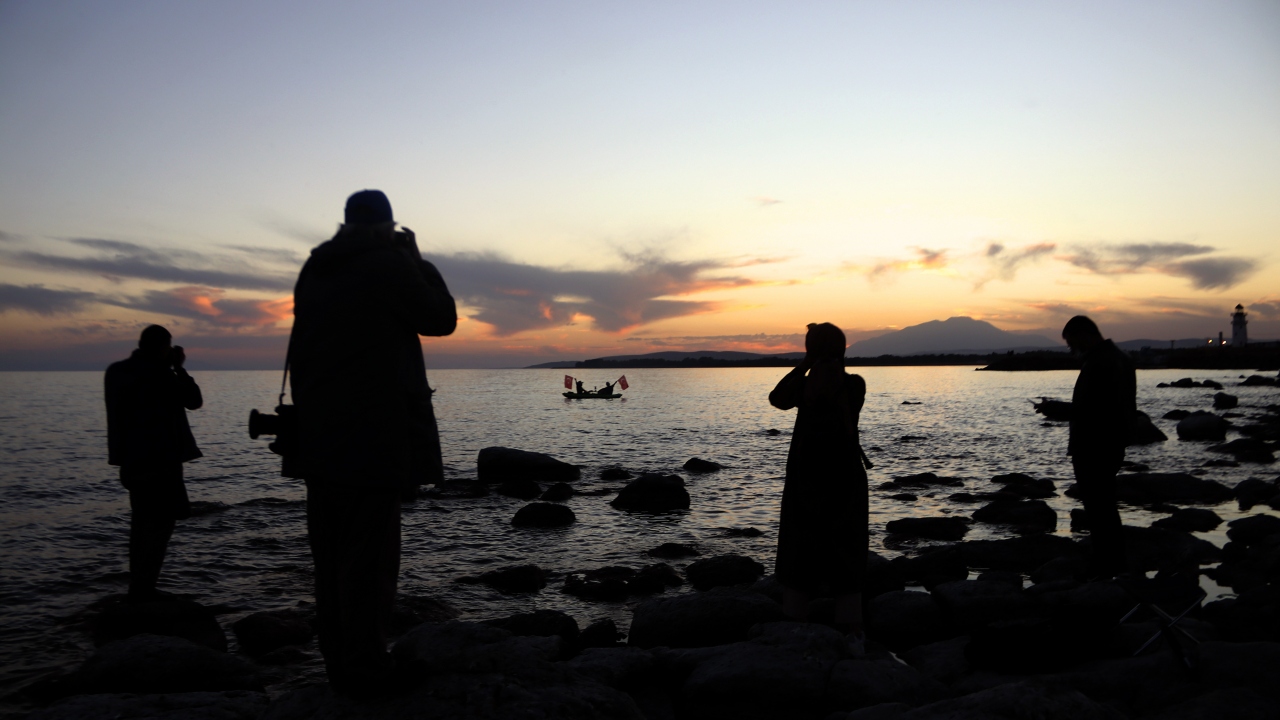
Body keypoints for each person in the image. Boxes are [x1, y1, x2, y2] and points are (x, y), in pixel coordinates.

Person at [288, 189, 457, 696]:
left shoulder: (315, 268)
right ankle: (365, 667)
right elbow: (440, 318)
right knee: (370, 560)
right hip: (372, 435)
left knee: (332, 558)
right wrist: (419, 260)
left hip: (318, 437)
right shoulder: (389, 264)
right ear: (387, 227)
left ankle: (339, 662)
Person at [769, 322, 870, 652]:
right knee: (847, 556)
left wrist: (805, 365)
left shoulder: (805, 387)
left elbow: (777, 398)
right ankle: (853, 638)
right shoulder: (854, 385)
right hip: (846, 482)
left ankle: (793, 637)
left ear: (812, 351)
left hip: (806, 481)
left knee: (799, 554)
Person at [104, 325, 203, 601]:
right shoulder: (161, 374)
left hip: (131, 461)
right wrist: (178, 367)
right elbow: (194, 401)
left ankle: (139, 586)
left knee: (141, 524)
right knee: (160, 526)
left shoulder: (116, 372)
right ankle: (145, 589)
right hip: (161, 461)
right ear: (163, 347)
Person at [1062, 315, 1135, 578]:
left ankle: (1107, 565)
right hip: (1112, 443)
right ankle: (1113, 562)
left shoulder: (1099, 362)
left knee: (1098, 507)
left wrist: (1057, 410)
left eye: (1072, 343)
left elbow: (1091, 409)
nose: (1072, 349)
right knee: (1104, 505)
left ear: (1083, 334)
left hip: (1094, 445)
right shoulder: (1120, 358)